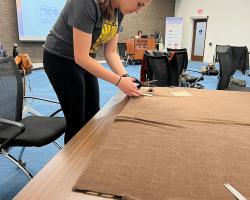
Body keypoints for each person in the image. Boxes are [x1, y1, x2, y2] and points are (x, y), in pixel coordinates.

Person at [43, 0, 152, 144]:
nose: (138, 10)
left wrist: (125, 77)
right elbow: (80, 57)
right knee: (76, 120)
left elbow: (111, 52)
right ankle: (73, 164)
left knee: (93, 113)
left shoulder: (118, 11)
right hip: (61, 59)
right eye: (139, 4)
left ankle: (89, 156)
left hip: (85, 59)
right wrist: (119, 81)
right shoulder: (87, 3)